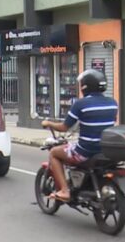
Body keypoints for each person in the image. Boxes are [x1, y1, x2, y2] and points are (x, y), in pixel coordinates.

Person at [41, 69, 118, 201]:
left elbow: (64, 127)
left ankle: (65, 191)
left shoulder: (81, 104)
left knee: (54, 152)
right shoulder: (112, 103)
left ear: (85, 86)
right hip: (105, 150)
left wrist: (49, 123)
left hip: (86, 151)